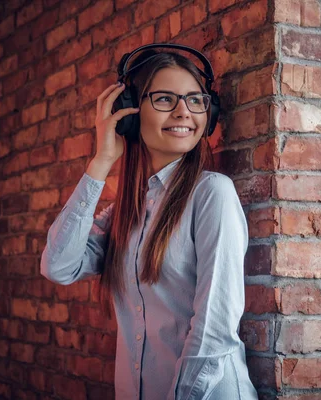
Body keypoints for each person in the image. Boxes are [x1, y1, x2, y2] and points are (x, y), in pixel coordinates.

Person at [40, 44, 258, 400]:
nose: (184, 112)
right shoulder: (126, 211)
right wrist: (102, 160)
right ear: (129, 113)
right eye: (164, 99)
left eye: (195, 100)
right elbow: (59, 266)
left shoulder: (212, 194)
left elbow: (215, 328)